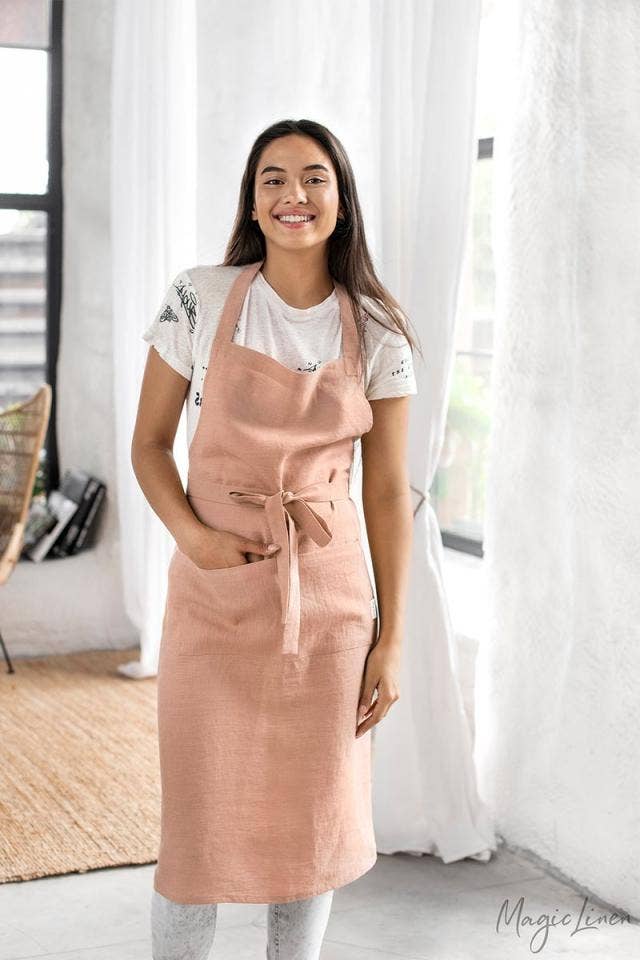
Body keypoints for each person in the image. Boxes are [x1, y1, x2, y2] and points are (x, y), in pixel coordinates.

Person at [131, 118, 421, 960]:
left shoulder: (379, 329)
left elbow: (389, 491)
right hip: (215, 596)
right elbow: (149, 445)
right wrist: (195, 539)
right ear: (253, 203)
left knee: (311, 828)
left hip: (328, 606)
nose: (293, 194)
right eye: (272, 179)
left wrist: (390, 638)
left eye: (313, 177)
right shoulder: (201, 296)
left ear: (341, 197)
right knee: (196, 833)